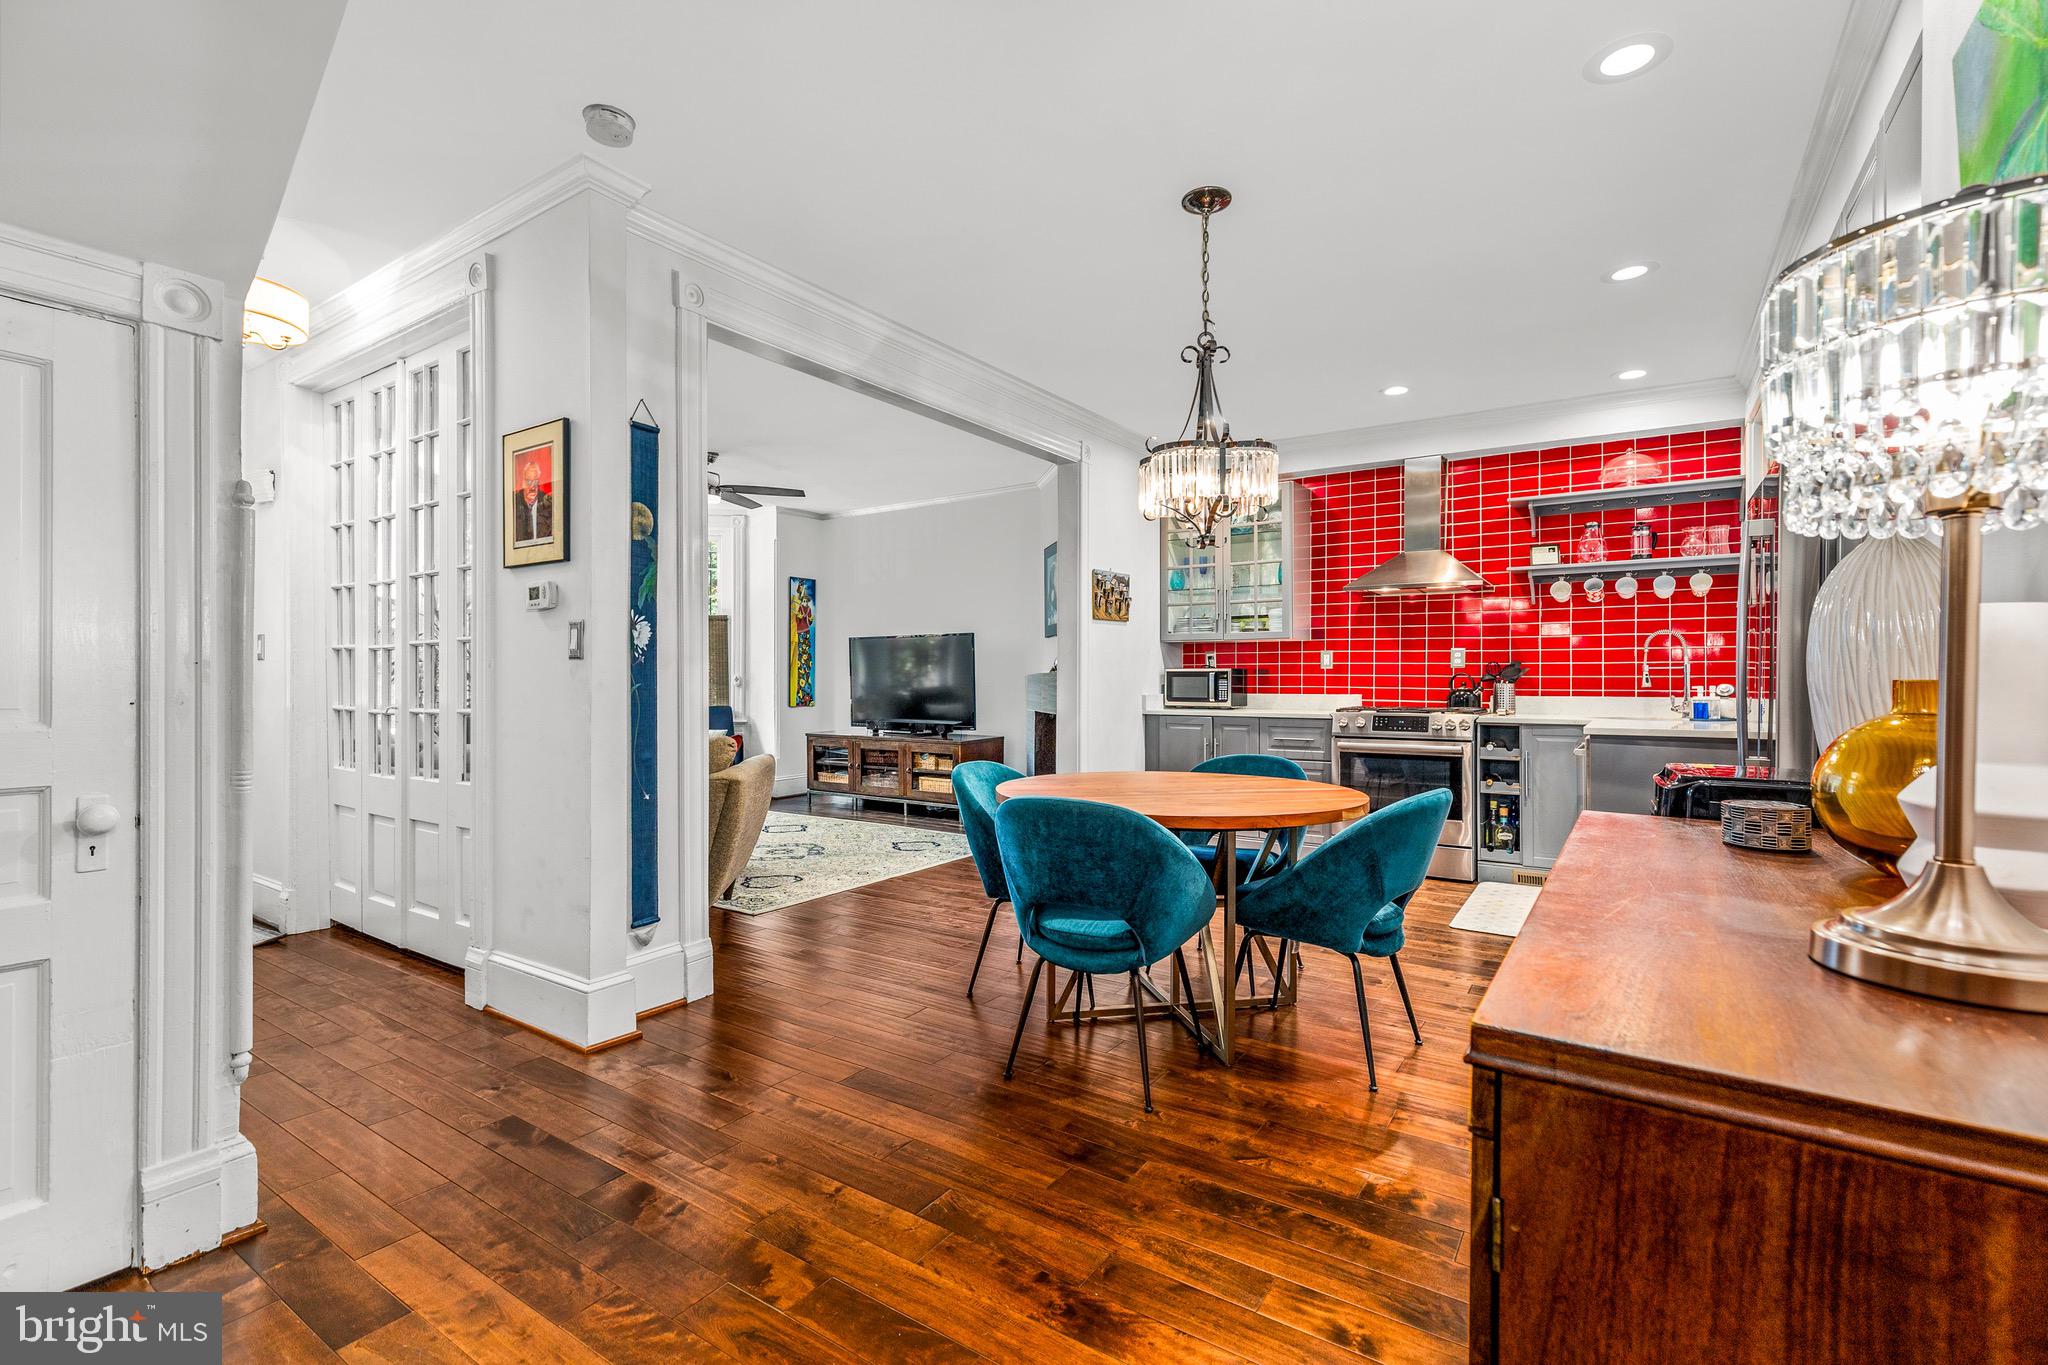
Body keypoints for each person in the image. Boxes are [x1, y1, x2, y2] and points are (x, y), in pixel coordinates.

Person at [514, 456, 554, 546]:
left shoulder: (548, 502)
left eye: (535, 481)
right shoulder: (513, 503)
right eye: (528, 481)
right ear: (523, 481)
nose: (532, 487)